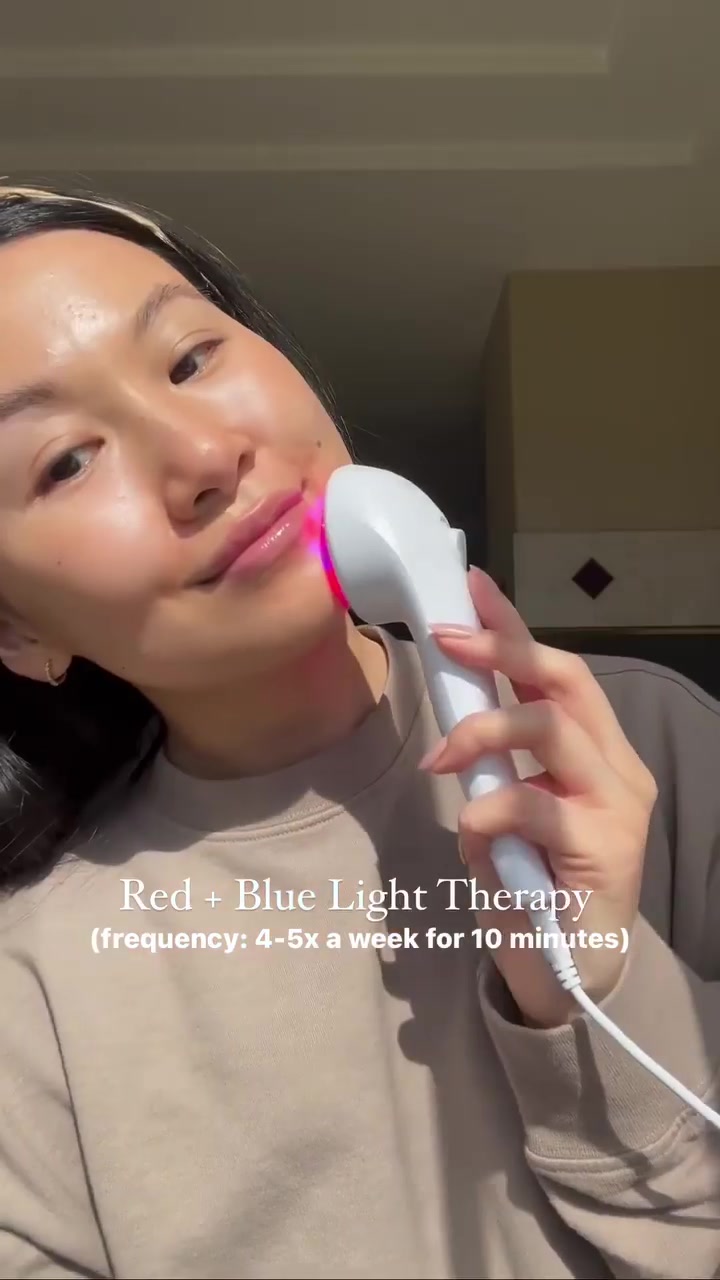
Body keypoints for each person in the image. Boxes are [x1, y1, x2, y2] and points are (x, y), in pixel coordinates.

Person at [0, 182, 717, 1280]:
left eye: (191, 358)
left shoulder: (654, 741)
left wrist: (599, 986)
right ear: (19, 632)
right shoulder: (32, 991)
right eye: (64, 460)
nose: (204, 457)